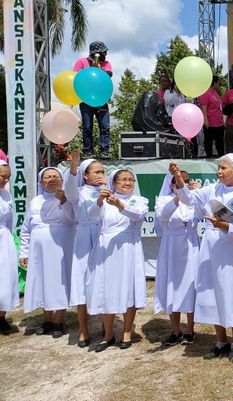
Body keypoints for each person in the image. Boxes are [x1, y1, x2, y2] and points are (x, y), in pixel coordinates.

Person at [170, 155, 233, 362]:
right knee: (214, 291)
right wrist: (178, 178)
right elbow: (188, 199)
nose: (219, 171)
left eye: (224, 168)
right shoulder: (211, 189)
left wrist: (226, 226)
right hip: (212, 246)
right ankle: (221, 341)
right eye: (218, 168)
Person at [86, 169, 148, 352]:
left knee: (128, 288)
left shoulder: (139, 200)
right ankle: (108, 334)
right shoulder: (105, 200)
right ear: (114, 182)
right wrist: (99, 201)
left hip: (129, 249)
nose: (127, 183)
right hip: (106, 250)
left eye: (131, 180)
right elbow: (91, 215)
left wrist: (119, 204)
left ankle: (127, 331)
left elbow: (137, 214)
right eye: (123, 180)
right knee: (107, 289)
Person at [19, 168, 75, 338]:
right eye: (47, 177)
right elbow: (26, 228)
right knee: (43, 282)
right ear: (41, 181)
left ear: (62, 179)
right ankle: (47, 320)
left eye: (55, 176)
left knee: (59, 282)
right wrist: (24, 252)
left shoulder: (70, 198)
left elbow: (74, 219)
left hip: (61, 247)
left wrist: (63, 200)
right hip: (39, 251)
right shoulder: (35, 201)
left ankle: (59, 320)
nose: (51, 179)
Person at [64, 150, 106, 347]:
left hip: (103, 237)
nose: (100, 175)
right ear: (85, 175)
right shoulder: (78, 193)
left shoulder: (109, 190)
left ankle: (107, 326)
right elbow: (69, 188)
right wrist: (73, 167)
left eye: (102, 171)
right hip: (84, 239)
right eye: (96, 172)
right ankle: (83, 329)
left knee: (104, 281)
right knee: (82, 281)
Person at [154, 171, 201, 346]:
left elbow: (206, 212)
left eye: (187, 181)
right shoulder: (164, 200)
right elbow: (163, 215)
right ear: (171, 184)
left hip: (190, 245)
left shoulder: (193, 198)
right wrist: (178, 198)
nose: (184, 184)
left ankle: (190, 329)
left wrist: (196, 194)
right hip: (171, 246)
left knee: (191, 285)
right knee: (171, 284)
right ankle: (175, 329)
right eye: (179, 181)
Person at [73, 41, 112, 158]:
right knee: (87, 127)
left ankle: (104, 151)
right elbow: (77, 77)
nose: (105, 54)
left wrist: (99, 69)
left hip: (101, 99)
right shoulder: (81, 62)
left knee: (105, 126)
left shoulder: (106, 63)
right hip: (86, 100)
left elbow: (108, 74)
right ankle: (88, 152)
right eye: (104, 51)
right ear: (97, 52)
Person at [0, 161, 17, 334]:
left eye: (8, 177)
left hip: (4, 239)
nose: (5, 180)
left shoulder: (6, 194)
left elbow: (9, 220)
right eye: (2, 176)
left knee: (4, 278)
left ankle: (1, 316)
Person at [199, 76, 225, 157]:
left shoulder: (216, 93)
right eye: (218, 82)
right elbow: (204, 108)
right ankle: (209, 158)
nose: (219, 84)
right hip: (210, 123)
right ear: (214, 83)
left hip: (219, 124)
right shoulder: (205, 93)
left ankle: (221, 158)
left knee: (220, 143)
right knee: (208, 142)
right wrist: (205, 121)